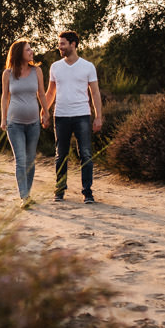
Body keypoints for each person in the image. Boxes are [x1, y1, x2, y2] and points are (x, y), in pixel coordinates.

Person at [44, 30, 103, 204]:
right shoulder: (55, 67)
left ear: (73, 44)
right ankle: (60, 190)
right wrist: (44, 112)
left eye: (62, 43)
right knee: (60, 155)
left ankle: (87, 192)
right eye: (59, 43)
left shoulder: (88, 66)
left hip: (82, 116)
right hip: (61, 116)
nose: (59, 47)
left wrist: (98, 116)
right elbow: (51, 92)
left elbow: (95, 93)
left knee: (85, 154)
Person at [0, 39, 48, 206]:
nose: (32, 52)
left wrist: (46, 113)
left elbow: (41, 94)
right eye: (28, 49)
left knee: (30, 160)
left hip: (34, 123)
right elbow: (5, 97)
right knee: (21, 160)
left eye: (31, 49)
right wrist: (3, 119)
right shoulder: (8, 74)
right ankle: (24, 197)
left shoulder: (37, 71)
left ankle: (27, 192)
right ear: (19, 52)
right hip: (14, 124)